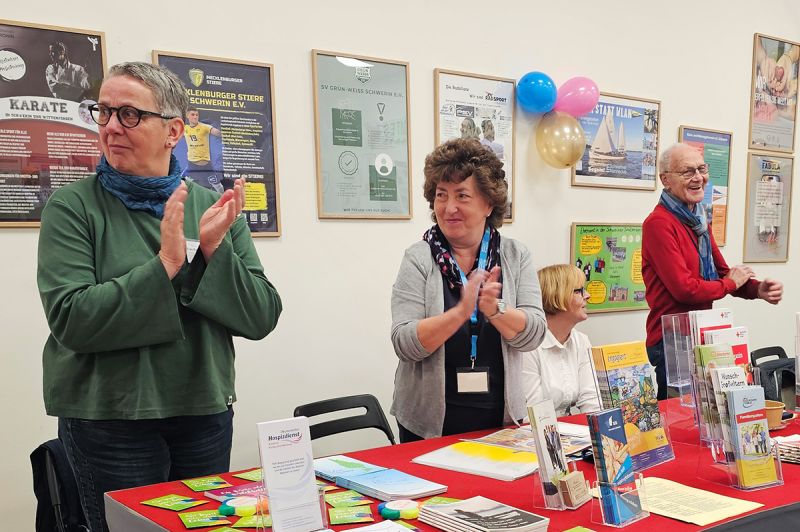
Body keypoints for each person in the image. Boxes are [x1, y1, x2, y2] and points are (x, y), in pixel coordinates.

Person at [37, 62, 282, 532]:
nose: (111, 127)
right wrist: (166, 265)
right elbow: (72, 319)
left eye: (129, 114)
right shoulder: (72, 207)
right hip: (110, 420)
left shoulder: (213, 207)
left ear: (173, 131)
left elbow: (261, 316)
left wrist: (212, 252)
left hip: (203, 411)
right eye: (104, 112)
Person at [390, 138, 547, 441]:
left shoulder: (515, 256)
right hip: (427, 426)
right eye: (441, 195)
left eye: (462, 195)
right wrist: (460, 313)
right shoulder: (418, 258)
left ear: (488, 203)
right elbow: (404, 343)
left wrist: (496, 310)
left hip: (501, 422)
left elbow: (535, 333)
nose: (449, 207)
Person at [642, 143, 782, 399]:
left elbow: (721, 273)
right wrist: (730, 284)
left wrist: (757, 289)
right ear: (666, 180)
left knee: (714, 414)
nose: (698, 177)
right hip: (672, 342)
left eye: (702, 169)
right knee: (680, 417)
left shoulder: (698, 218)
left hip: (703, 336)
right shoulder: (658, 223)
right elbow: (685, 289)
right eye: (687, 171)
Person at [522, 264, 601, 416]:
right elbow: (533, 414)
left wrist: (598, 427)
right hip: (536, 428)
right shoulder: (528, 346)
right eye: (579, 291)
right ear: (556, 296)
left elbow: (592, 400)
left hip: (567, 427)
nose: (588, 295)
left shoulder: (581, 341)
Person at [184, 106, 224, 191]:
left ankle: (223, 198)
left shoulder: (204, 127)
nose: (195, 117)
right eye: (193, 114)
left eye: (197, 115)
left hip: (206, 166)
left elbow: (216, 132)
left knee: (219, 187)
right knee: (182, 185)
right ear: (187, 116)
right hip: (192, 166)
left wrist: (224, 133)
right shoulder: (185, 128)